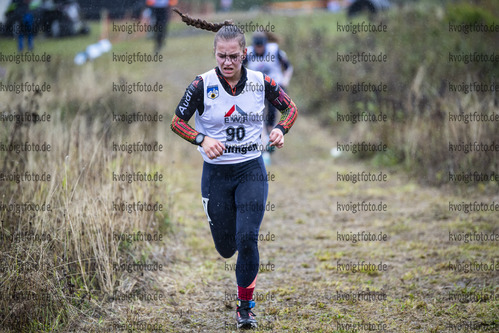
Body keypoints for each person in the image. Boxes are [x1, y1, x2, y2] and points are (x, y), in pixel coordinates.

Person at [170, 9, 298, 329]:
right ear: (215, 54)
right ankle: (239, 284)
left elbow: (291, 108)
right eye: (221, 56)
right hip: (215, 175)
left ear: (244, 54)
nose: (227, 63)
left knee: (247, 238)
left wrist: (280, 129)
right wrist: (201, 138)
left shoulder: (261, 82)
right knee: (227, 247)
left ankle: (245, 308)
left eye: (233, 57)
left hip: (251, 170)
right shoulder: (201, 85)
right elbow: (176, 122)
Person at [243, 31, 293, 166]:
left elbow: (288, 67)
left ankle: (271, 137)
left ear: (265, 44)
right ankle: (264, 143)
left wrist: (285, 80)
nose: (259, 49)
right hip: (256, 89)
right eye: (257, 46)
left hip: (274, 87)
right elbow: (240, 69)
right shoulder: (248, 53)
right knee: (259, 116)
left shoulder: (275, 50)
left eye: (261, 46)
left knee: (272, 113)